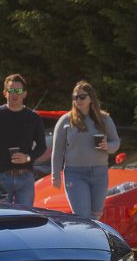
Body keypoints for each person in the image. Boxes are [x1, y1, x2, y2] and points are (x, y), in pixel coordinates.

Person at [50, 81, 120, 220]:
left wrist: (108, 146)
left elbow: (116, 142)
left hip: (100, 172)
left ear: (91, 98)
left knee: (95, 216)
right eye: (75, 97)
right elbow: (57, 150)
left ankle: (92, 242)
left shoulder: (104, 118)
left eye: (82, 97)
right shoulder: (66, 120)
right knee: (83, 217)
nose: (78, 100)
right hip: (75, 174)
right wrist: (55, 175)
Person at [0, 74, 46, 206]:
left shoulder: (33, 117)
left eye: (18, 91)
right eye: (11, 90)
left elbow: (41, 146)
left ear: (24, 94)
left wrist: (27, 157)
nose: (14, 94)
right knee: (2, 217)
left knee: (26, 217)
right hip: (1, 175)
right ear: (5, 93)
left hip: (26, 176)